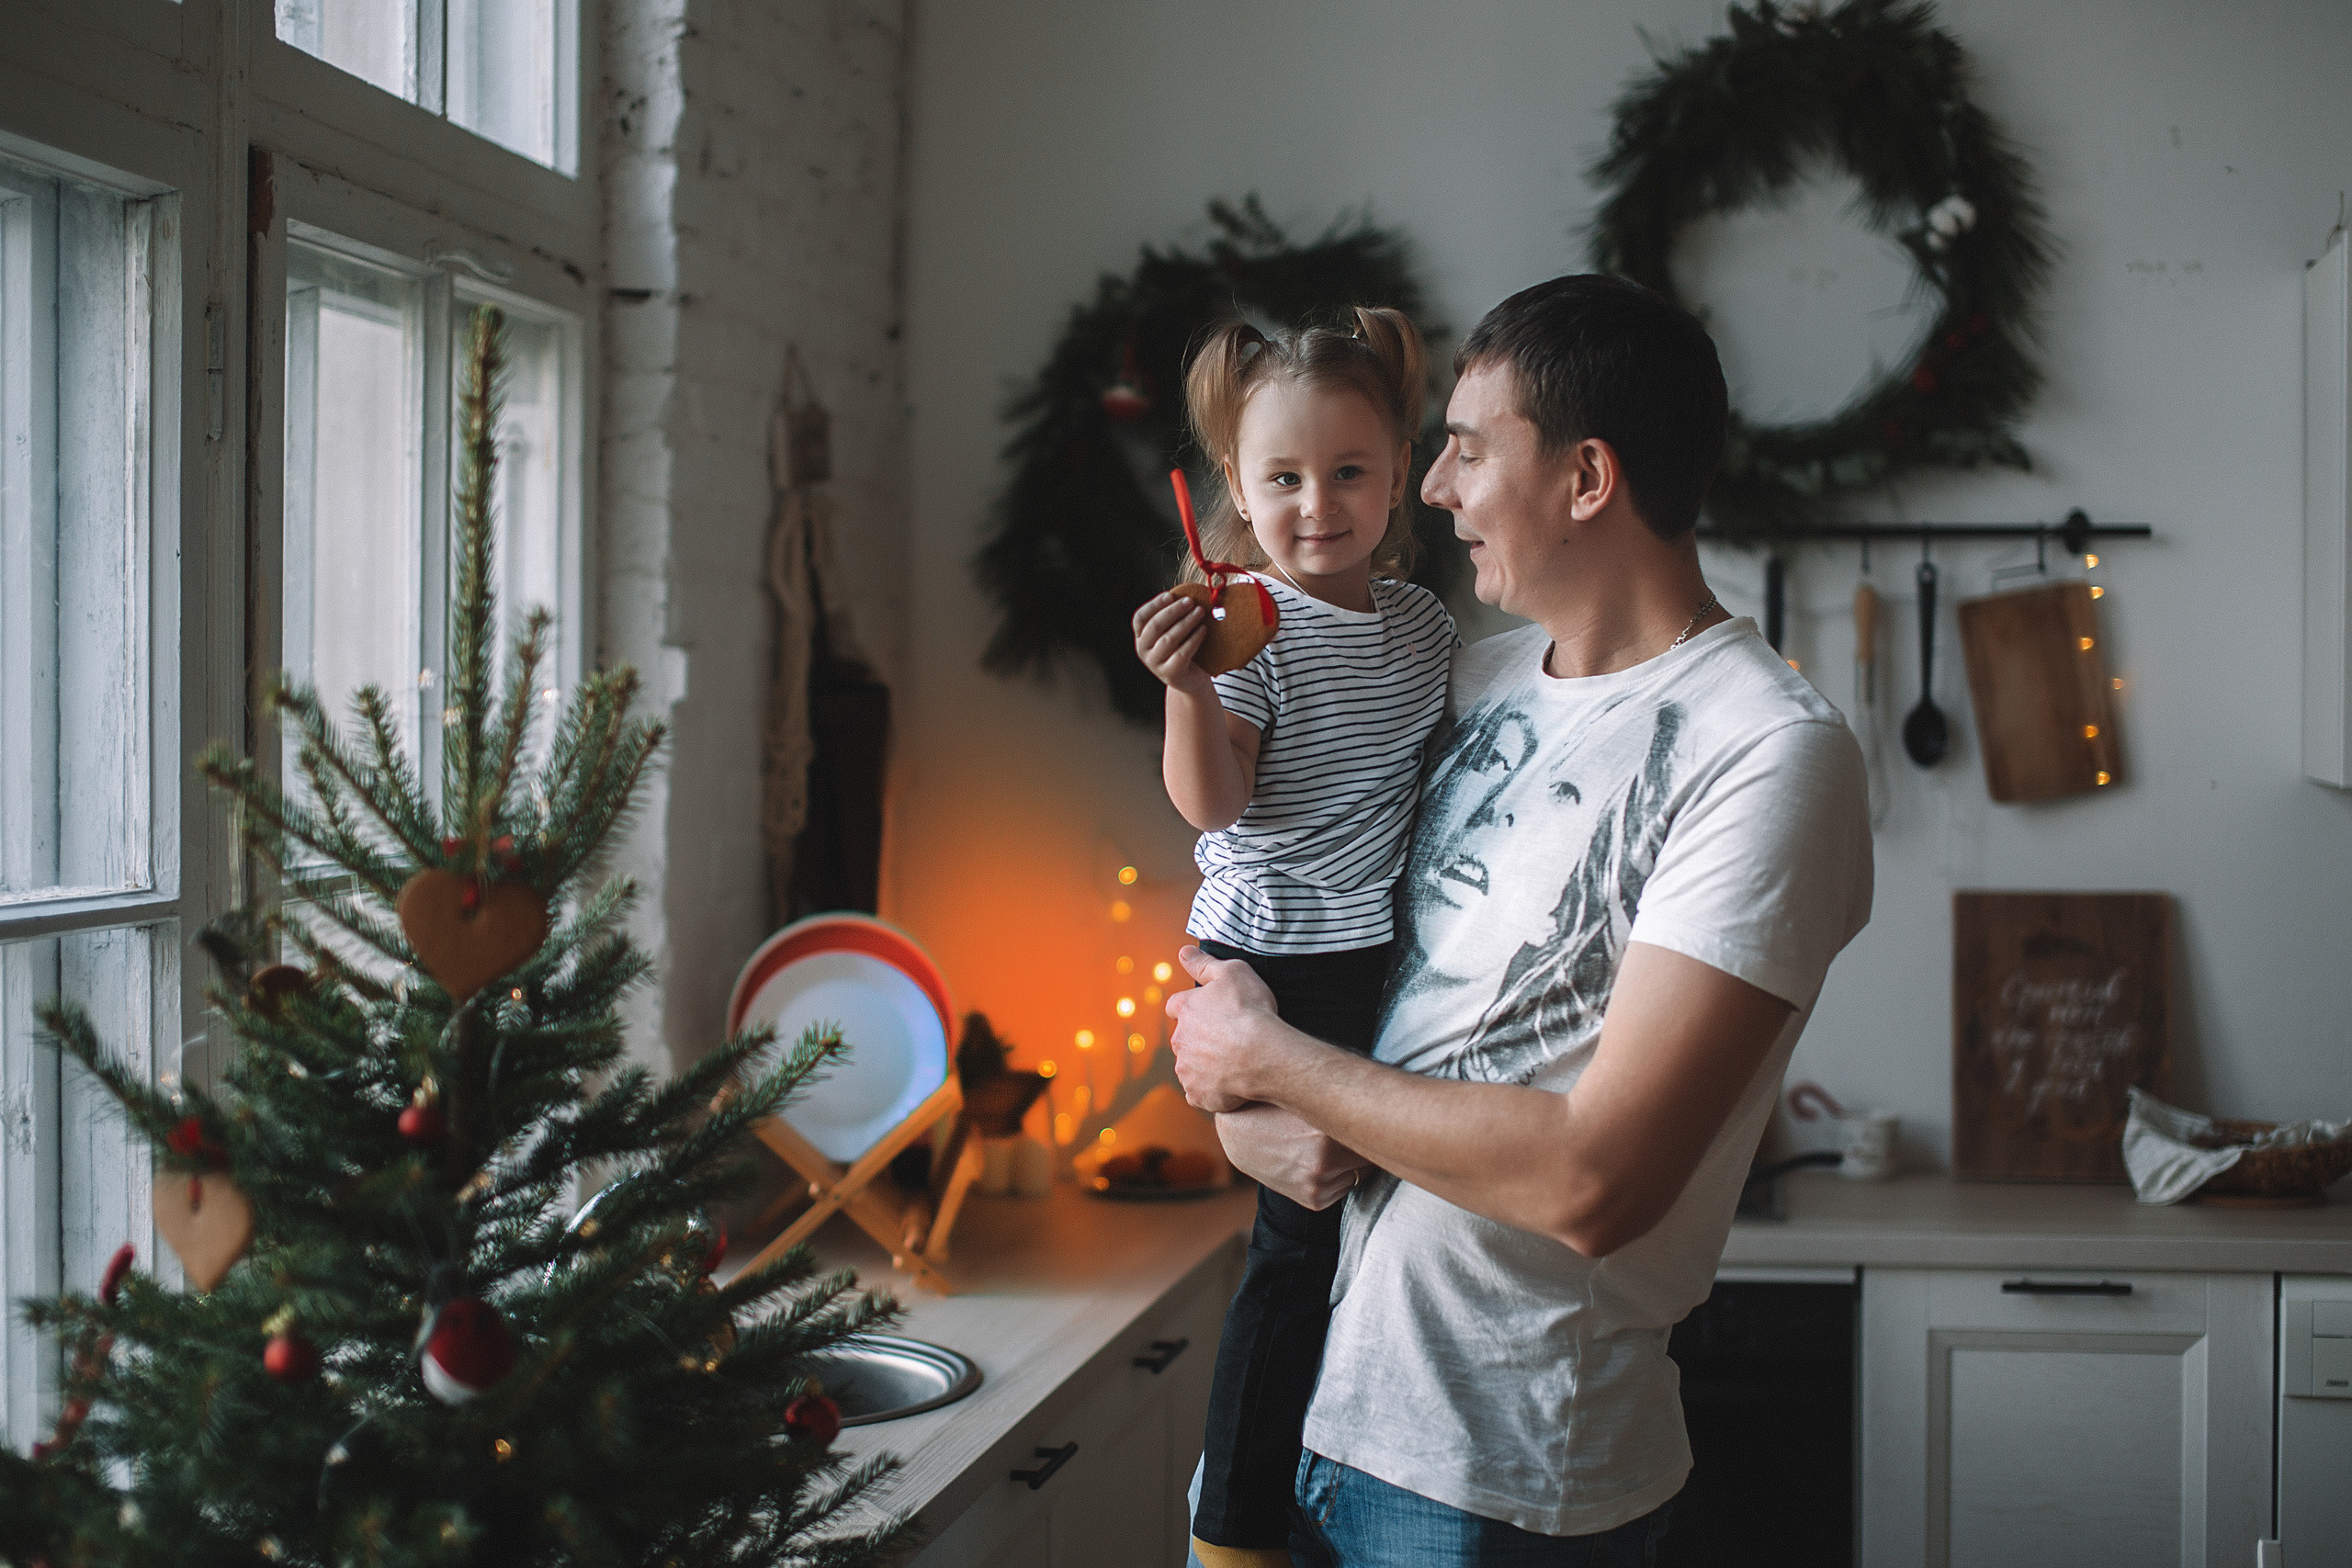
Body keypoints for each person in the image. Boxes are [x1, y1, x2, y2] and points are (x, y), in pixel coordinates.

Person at [1167, 275, 1873, 1568]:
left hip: (1490, 1484)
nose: (1431, 489)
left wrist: (1274, 1066)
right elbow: (1297, 964)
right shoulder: (1458, 674)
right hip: (1301, 1417)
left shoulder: (1768, 753)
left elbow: (1593, 1178)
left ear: (1586, 478)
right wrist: (1249, 1123)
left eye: (1468, 449)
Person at [1130, 307, 1458, 1568]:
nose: (1315, 504)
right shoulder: (1243, 628)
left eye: (1347, 473)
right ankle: (1238, 1530)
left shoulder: (1426, 630)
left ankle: (1345, 1478)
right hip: (1272, 954)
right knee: (1293, 1247)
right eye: (1282, 479)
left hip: (1372, 949)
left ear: (1396, 475)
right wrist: (1188, 688)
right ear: (1234, 488)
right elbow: (1212, 804)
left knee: (1365, 1234)